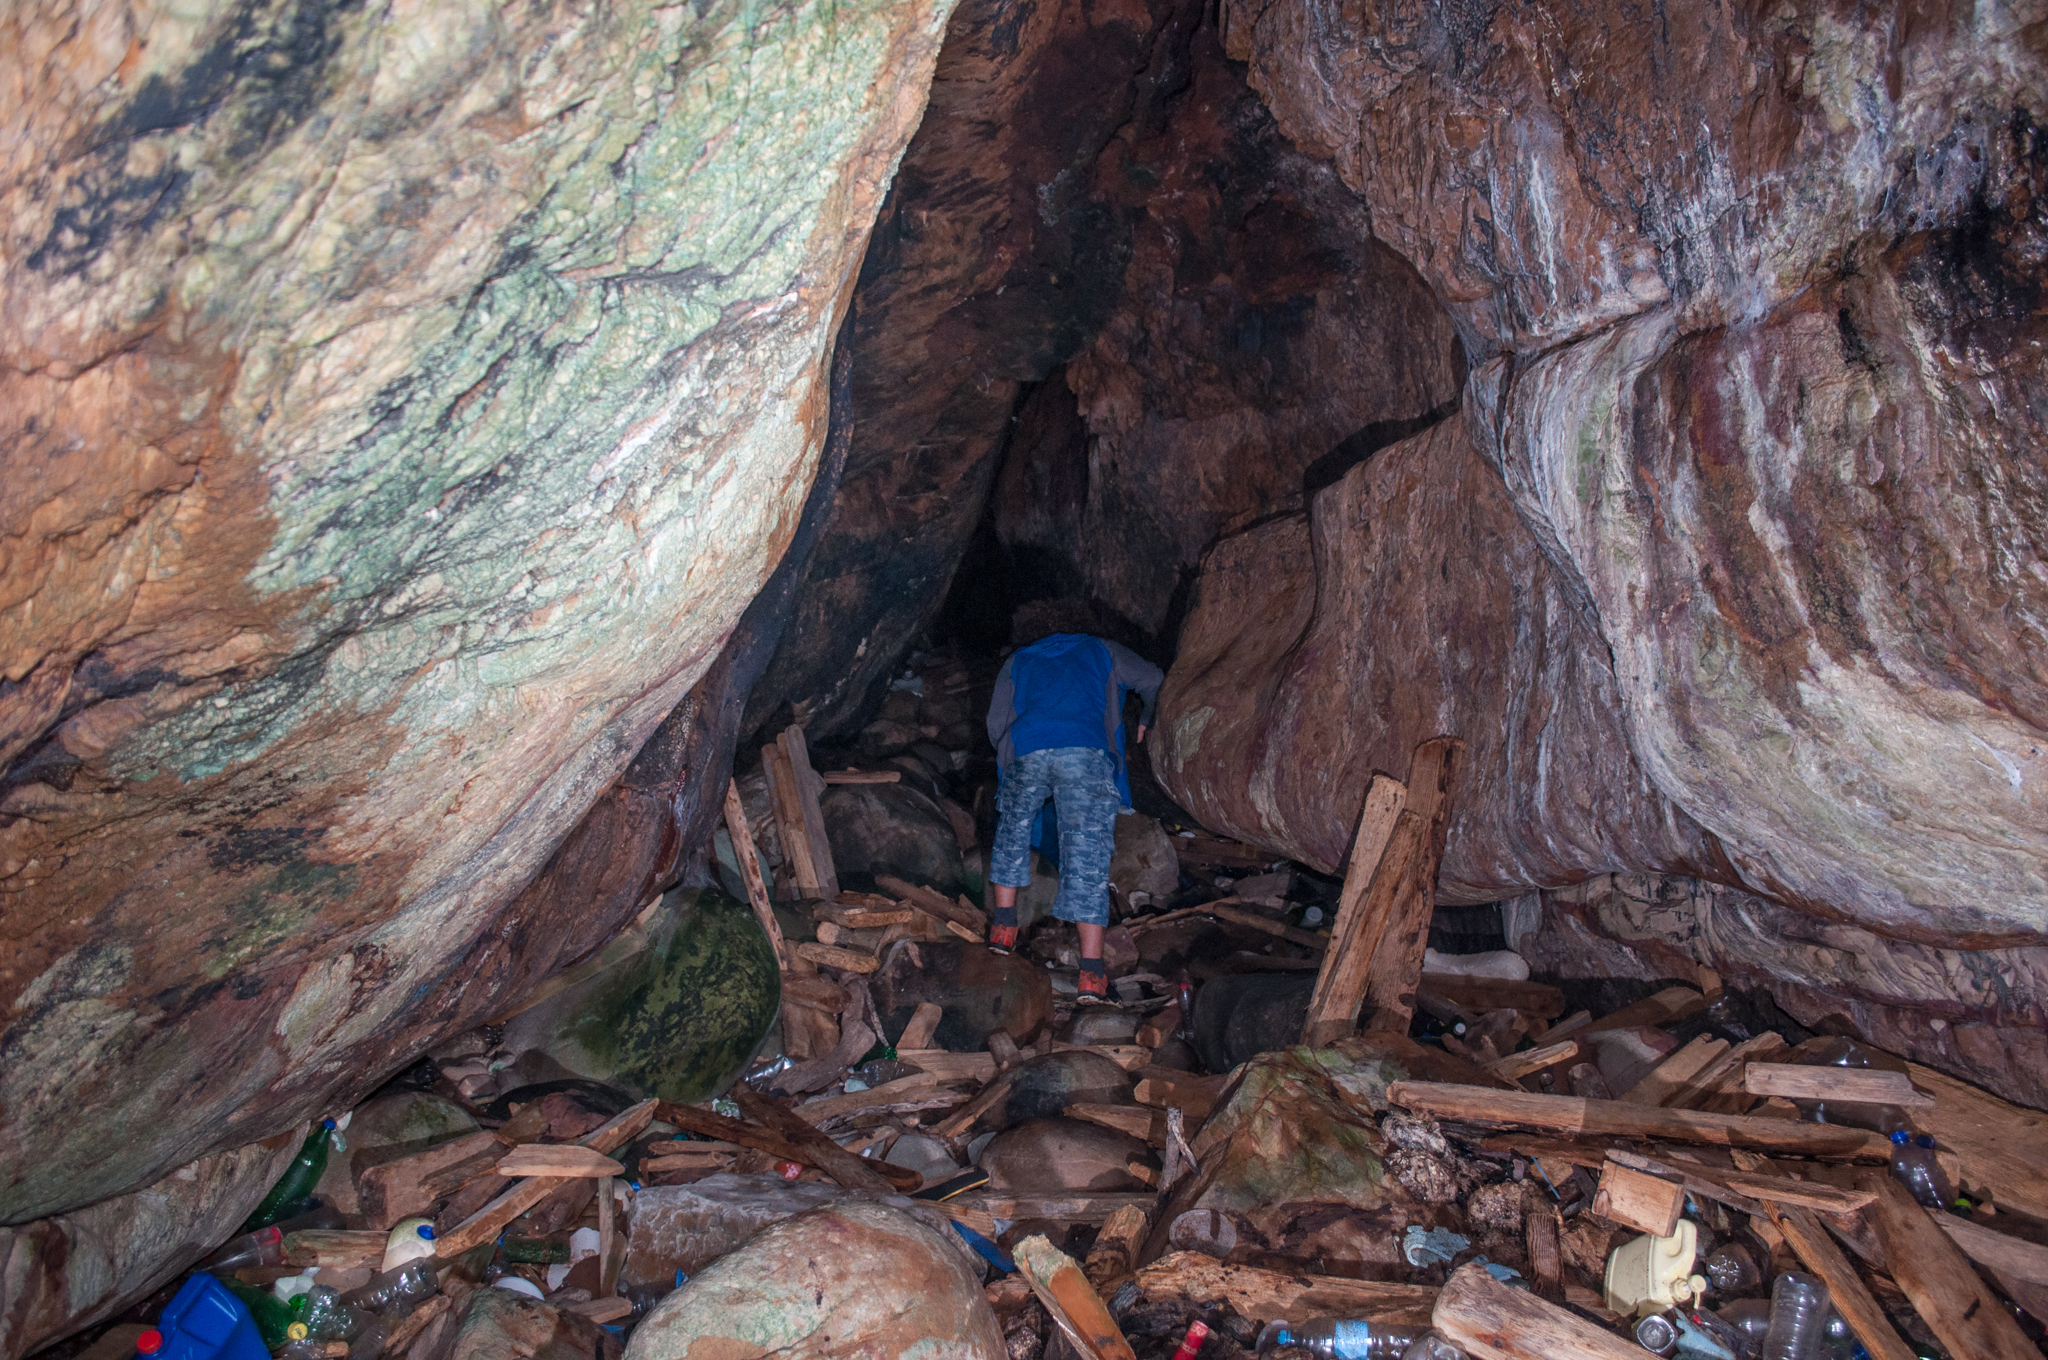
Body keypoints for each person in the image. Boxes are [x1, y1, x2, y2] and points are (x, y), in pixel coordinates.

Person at [985, 631, 1164, 1004]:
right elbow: (1152, 678)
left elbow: (996, 720)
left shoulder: (1020, 658)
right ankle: (1091, 975)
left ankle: (1003, 928)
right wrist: (1147, 715)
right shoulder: (1102, 647)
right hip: (1085, 748)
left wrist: (1017, 752)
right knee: (1086, 856)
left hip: (1028, 744)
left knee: (1013, 830)